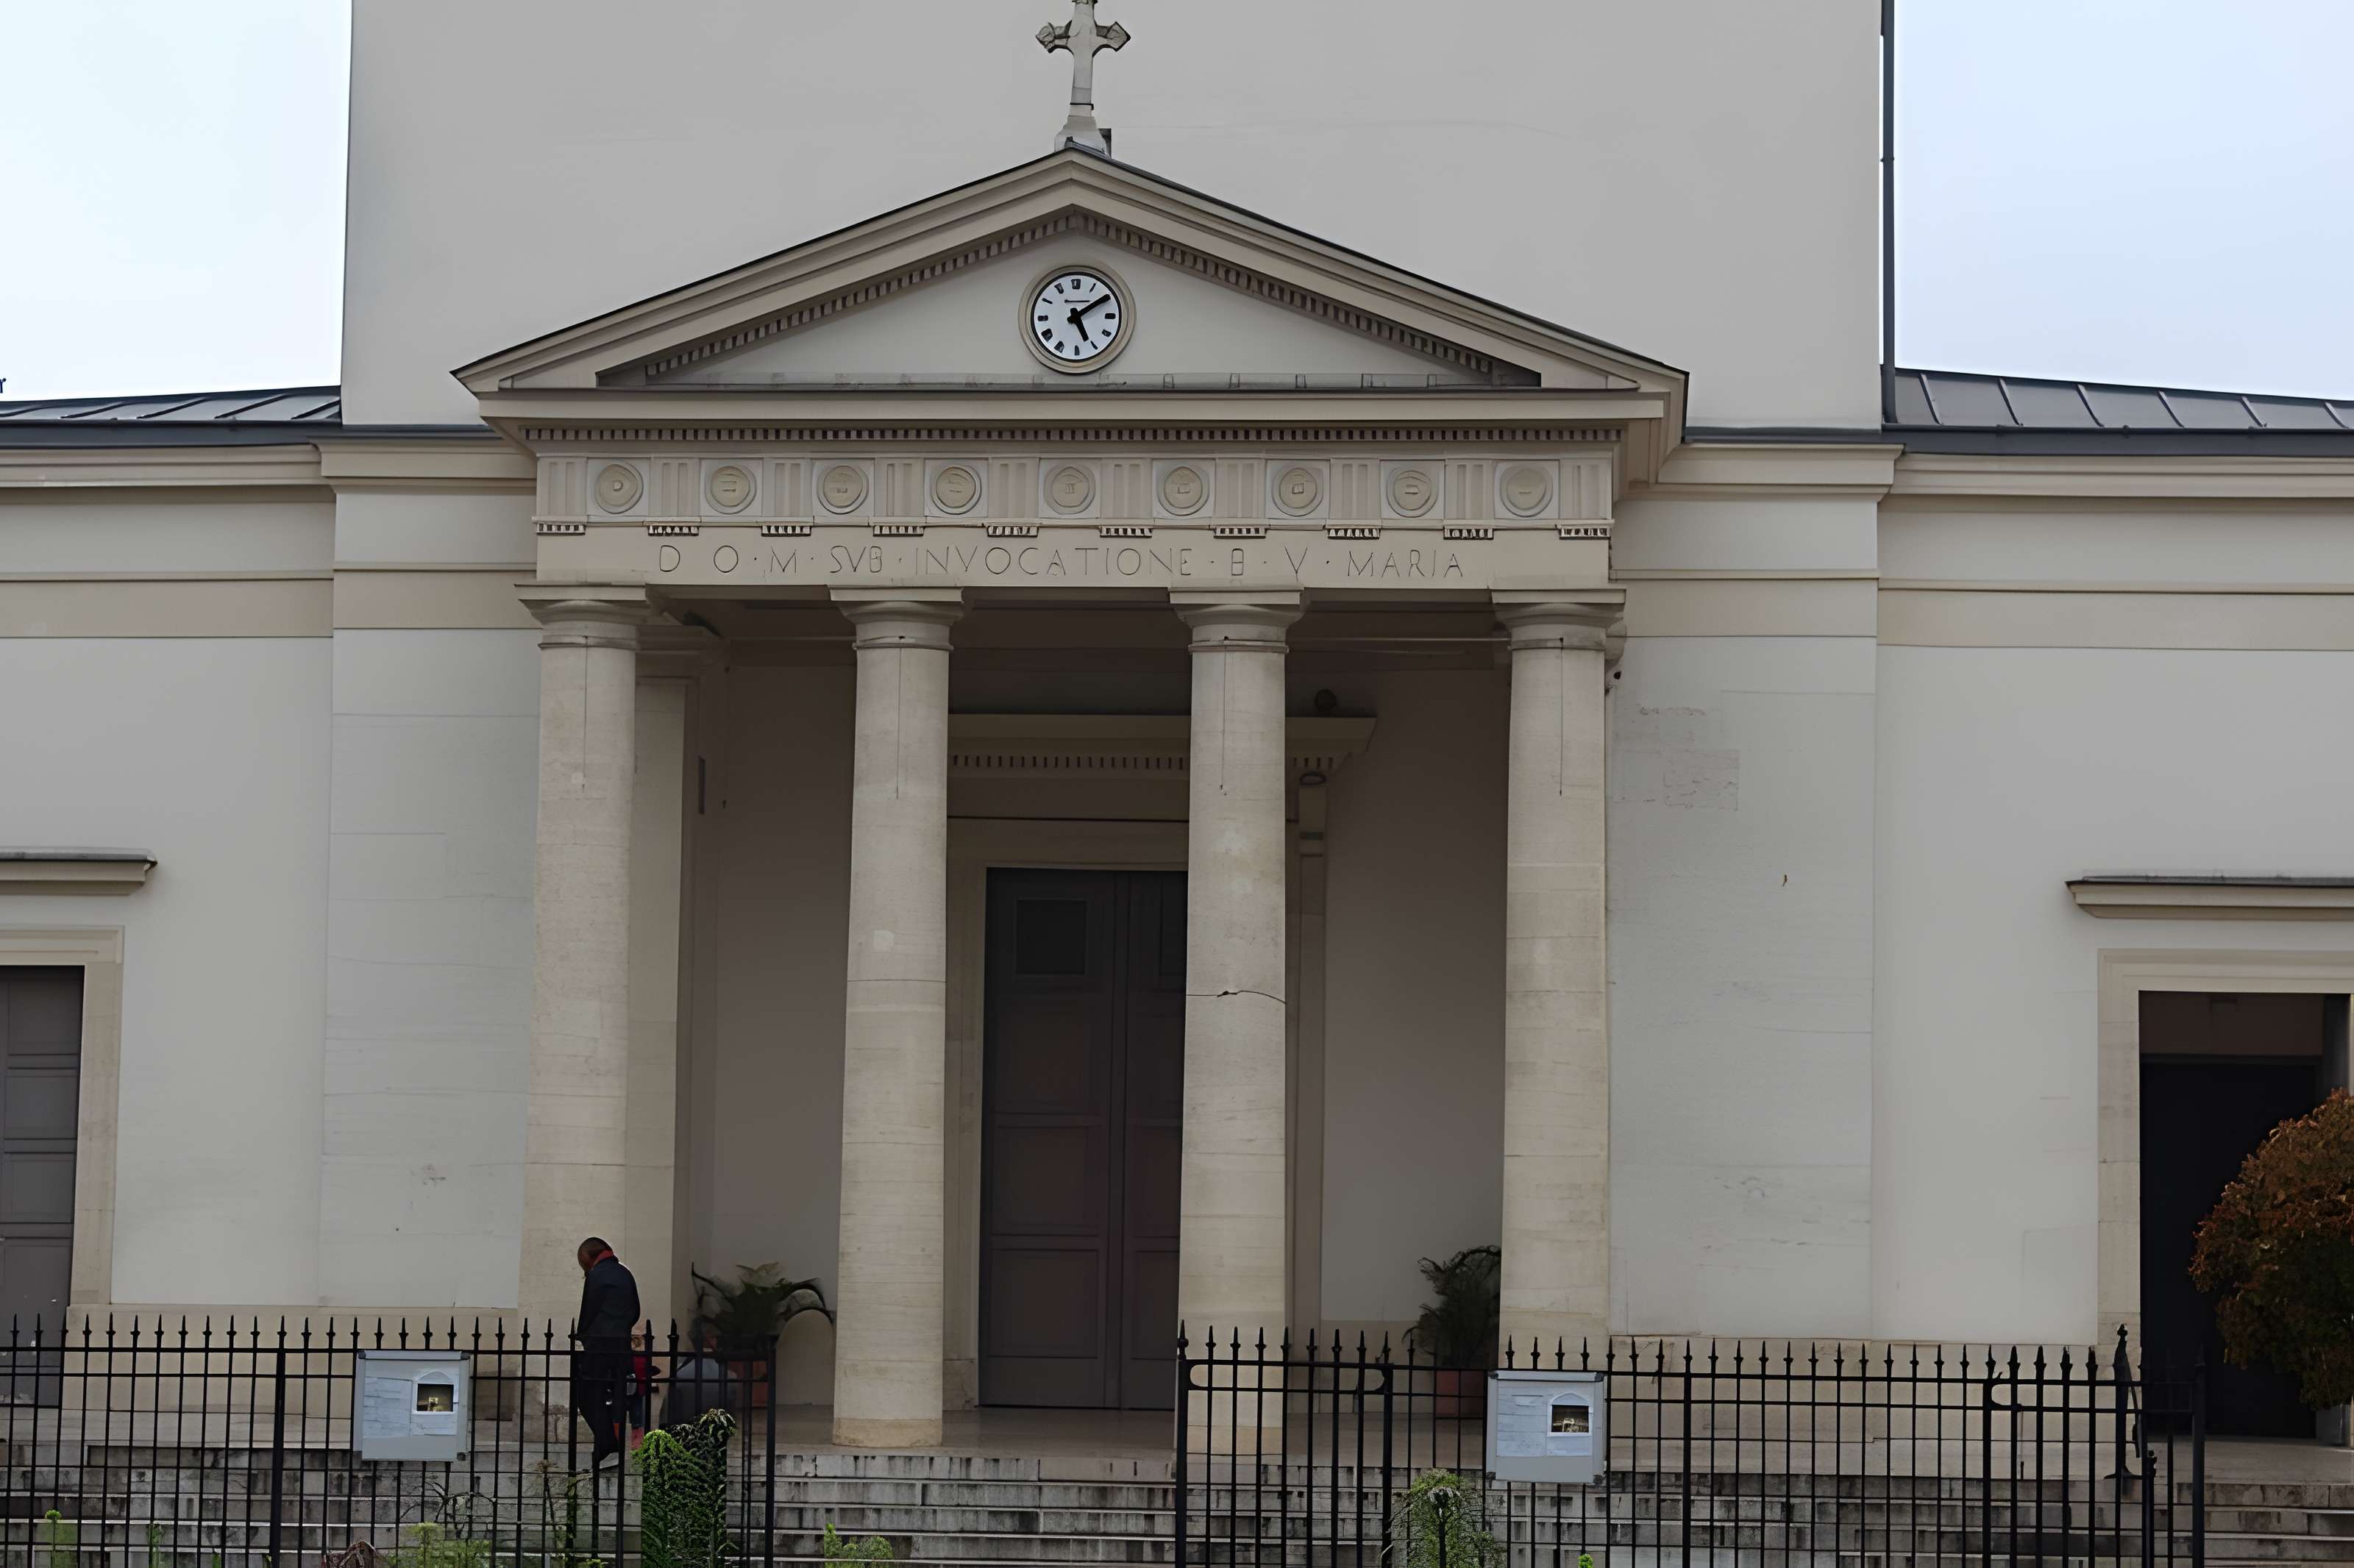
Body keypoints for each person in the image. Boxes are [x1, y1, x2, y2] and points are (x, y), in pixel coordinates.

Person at [570, 1236, 639, 1466]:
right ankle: (608, 1449)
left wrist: (583, 1336)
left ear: (588, 1258)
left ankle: (609, 1445)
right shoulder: (625, 1273)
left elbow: (588, 1310)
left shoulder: (597, 1275)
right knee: (616, 1397)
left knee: (587, 1397)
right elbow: (635, 1311)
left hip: (600, 1345)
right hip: (621, 1344)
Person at [661, 1318, 737, 1432]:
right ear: (712, 1340)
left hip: (686, 1429)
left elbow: (669, 1411)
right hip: (714, 1429)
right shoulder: (727, 1376)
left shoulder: (680, 1372)